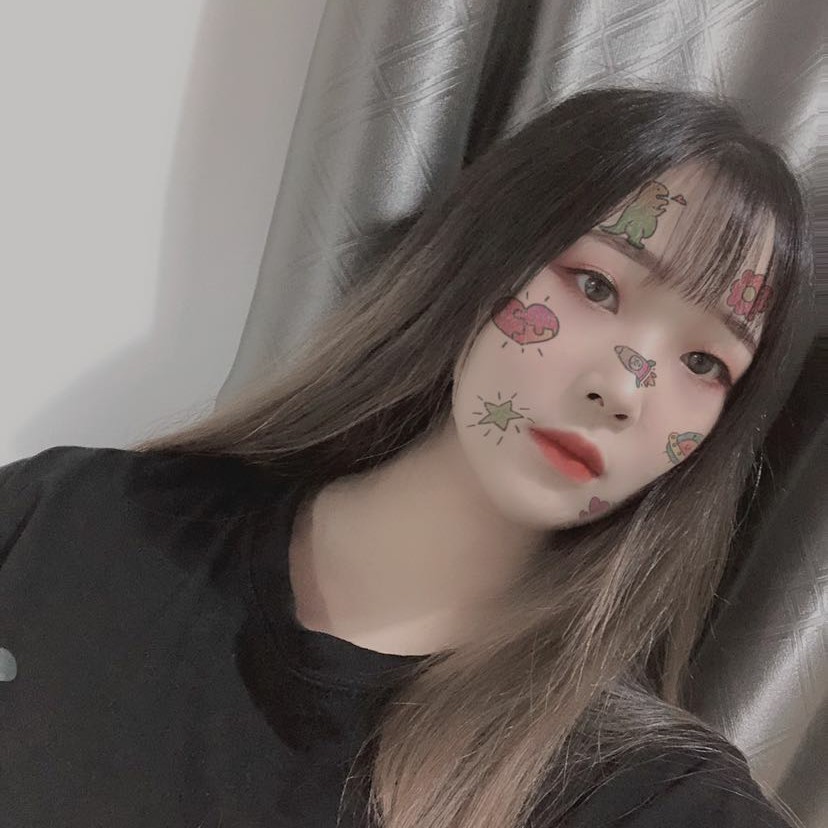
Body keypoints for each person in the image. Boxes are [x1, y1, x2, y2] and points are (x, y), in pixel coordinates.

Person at [0, 86, 814, 828]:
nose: (626, 390)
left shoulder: (646, 794)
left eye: (704, 362)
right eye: (596, 286)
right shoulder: (73, 524)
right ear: (480, 253)